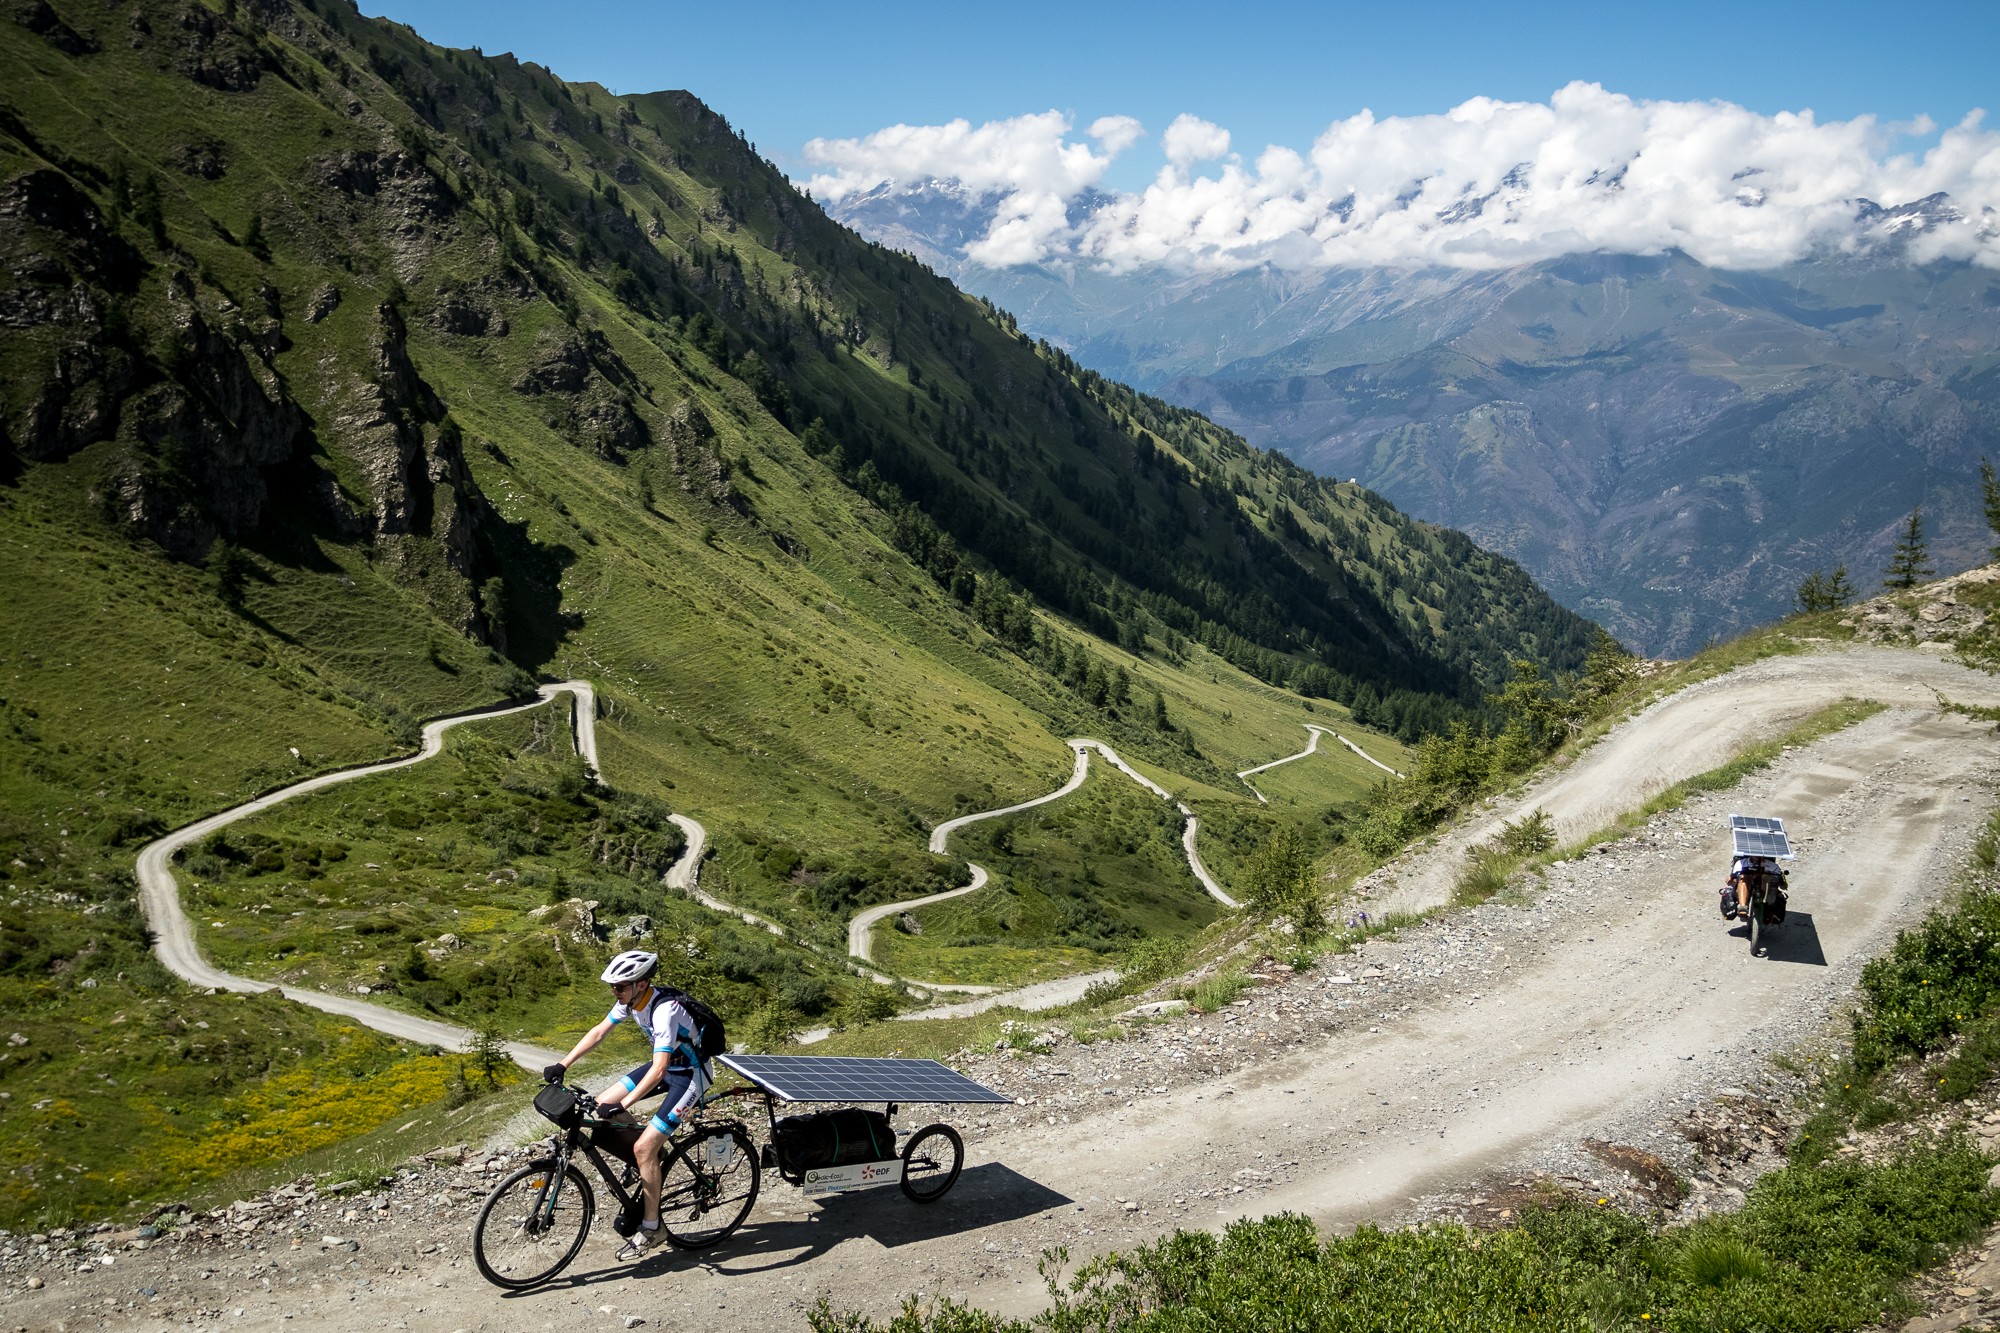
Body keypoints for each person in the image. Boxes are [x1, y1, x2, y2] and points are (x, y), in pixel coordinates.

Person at [543, 950, 711, 1259]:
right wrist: (562, 1064)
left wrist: (625, 1103)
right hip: (666, 1067)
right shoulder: (631, 1001)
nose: (615, 992)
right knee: (601, 1105)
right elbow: (599, 1032)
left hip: (690, 1075)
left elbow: (658, 1070)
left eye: (620, 986)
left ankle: (652, 1227)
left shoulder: (664, 1011)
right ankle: (653, 1157)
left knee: (642, 1146)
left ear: (641, 984)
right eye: (613, 987)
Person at [1721, 855, 1786, 922]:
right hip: (1745, 887)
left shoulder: (1773, 866)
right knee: (1743, 878)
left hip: (1764, 889)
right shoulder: (1741, 863)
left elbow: (1783, 886)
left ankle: (1769, 907)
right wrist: (1732, 879)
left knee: (1768, 878)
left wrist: (1779, 880)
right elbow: (1733, 881)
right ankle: (1742, 907)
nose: (1757, 855)